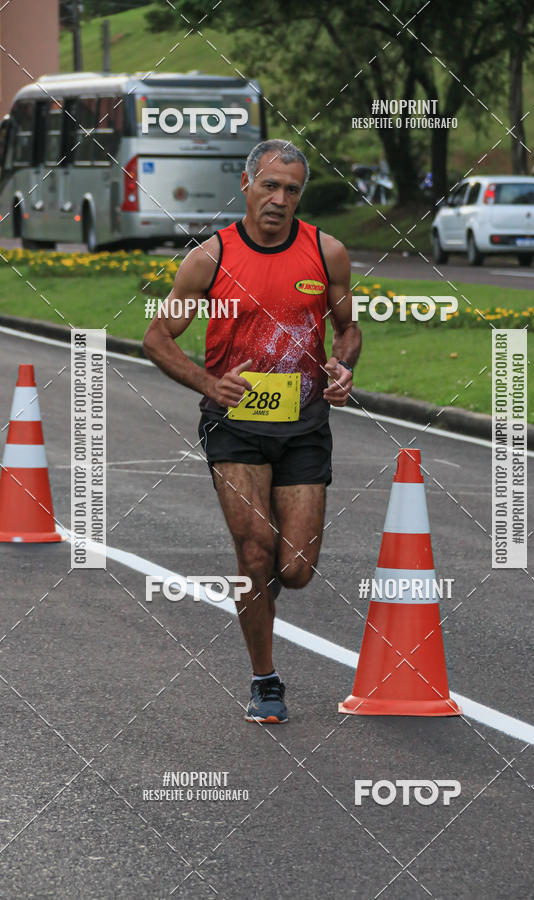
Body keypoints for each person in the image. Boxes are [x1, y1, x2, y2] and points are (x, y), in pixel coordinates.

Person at [143, 139, 361, 723]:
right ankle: (265, 678)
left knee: (296, 569)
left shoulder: (327, 251)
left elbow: (348, 332)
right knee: (255, 552)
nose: (280, 199)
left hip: (305, 423)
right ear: (246, 185)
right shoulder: (210, 258)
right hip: (235, 423)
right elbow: (158, 339)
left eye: (291, 190)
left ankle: (260, 591)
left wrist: (343, 368)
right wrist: (209, 384)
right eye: (269, 185)